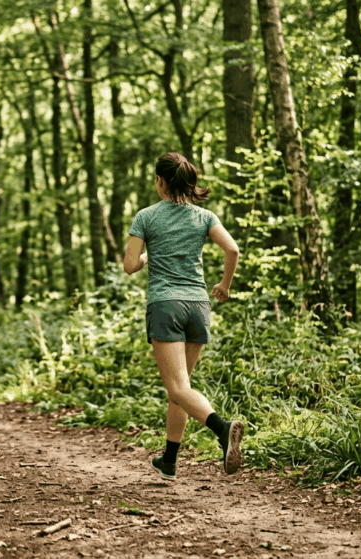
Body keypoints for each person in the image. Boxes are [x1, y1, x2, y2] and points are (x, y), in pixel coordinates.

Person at [123, 152, 242, 481]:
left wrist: (147, 256)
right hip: (198, 307)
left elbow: (129, 265)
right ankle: (170, 460)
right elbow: (232, 249)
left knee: (177, 388)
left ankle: (222, 428)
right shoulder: (204, 216)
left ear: (160, 181)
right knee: (182, 388)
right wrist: (225, 285)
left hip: (166, 305)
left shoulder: (146, 217)